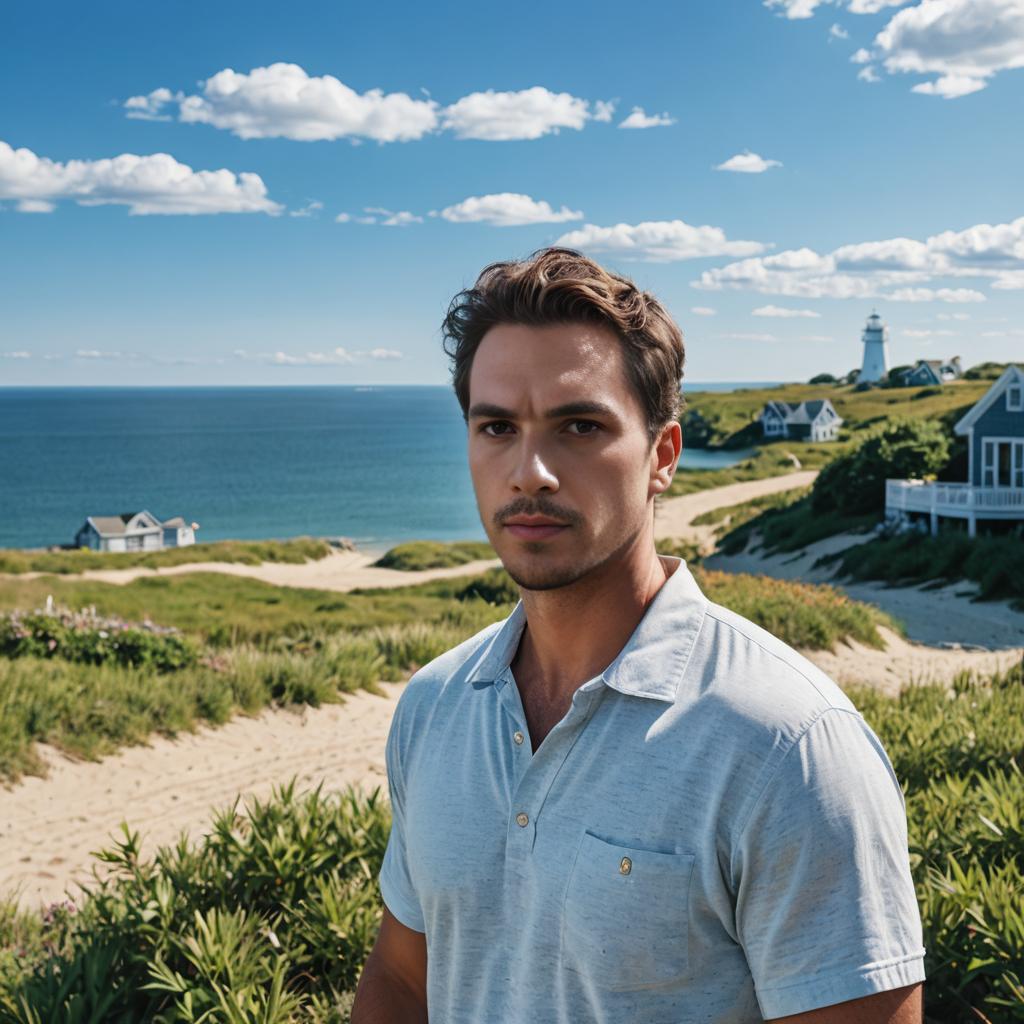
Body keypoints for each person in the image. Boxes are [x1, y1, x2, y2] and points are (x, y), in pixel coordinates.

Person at [351, 247, 925, 1023]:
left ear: (662, 456)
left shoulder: (788, 745)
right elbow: (404, 979)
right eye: (496, 427)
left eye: (580, 426)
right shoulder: (434, 705)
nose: (530, 472)